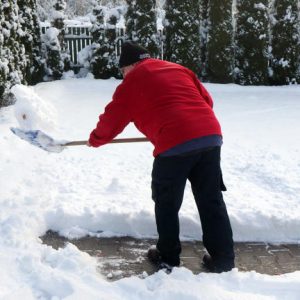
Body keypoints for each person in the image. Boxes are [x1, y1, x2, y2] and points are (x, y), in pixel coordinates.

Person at [88, 41, 235, 273]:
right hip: (210, 136)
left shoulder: (132, 81)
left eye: (123, 70)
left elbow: (113, 119)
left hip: (174, 144)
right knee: (211, 200)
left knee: (166, 203)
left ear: (133, 64)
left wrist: (96, 138)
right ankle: (223, 260)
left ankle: (168, 258)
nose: (123, 75)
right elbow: (206, 101)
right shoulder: (177, 68)